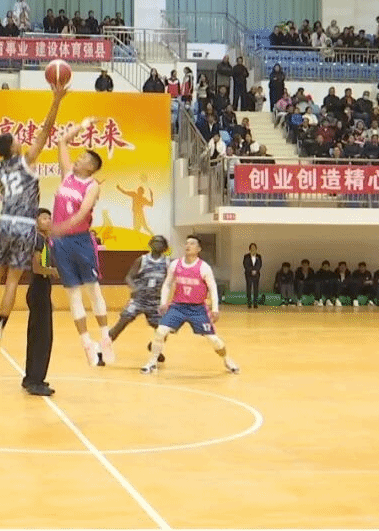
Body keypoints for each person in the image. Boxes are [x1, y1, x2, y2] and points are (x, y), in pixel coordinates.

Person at [0, 82, 66, 353]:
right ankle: (0, 328)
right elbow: (45, 130)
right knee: (12, 281)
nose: (21, 141)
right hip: (24, 226)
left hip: (3, 223)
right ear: (12, 147)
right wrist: (56, 100)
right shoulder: (25, 160)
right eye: (16, 139)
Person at [48, 120, 109, 366]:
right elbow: (62, 140)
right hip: (61, 244)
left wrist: (61, 227)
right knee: (73, 295)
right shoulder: (67, 175)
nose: (77, 158)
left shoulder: (91, 186)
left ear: (90, 167)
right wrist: (82, 125)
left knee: (93, 291)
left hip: (81, 241)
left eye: (83, 157)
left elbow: (83, 212)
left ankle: (105, 337)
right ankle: (87, 344)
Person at [141, 234, 239, 375]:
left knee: (213, 339)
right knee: (160, 331)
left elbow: (213, 288)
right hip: (178, 307)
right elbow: (167, 284)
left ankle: (227, 359)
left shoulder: (204, 268)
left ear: (198, 249)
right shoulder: (175, 264)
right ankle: (152, 362)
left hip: (197, 308)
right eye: (187, 243)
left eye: (192, 243)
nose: (188, 246)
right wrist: (163, 302)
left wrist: (215, 309)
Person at [107, 236, 170, 364]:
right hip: (139, 299)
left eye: (160, 243)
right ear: (150, 244)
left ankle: (154, 347)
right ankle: (103, 346)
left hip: (156, 301)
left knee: (164, 328)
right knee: (123, 321)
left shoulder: (168, 262)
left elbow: (170, 281)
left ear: (165, 247)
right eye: (155, 242)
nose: (157, 245)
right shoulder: (142, 260)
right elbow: (129, 277)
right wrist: (134, 288)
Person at [23, 208, 57, 396]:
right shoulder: (38, 240)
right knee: (43, 338)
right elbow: (37, 268)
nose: (48, 220)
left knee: (36, 336)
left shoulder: (45, 241)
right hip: (39, 288)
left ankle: (30, 377)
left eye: (49, 218)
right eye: (44, 218)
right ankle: (36, 381)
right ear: (35, 222)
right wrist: (54, 271)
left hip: (40, 290)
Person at [242, 243, 262, 308]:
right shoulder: (246, 256)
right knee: (249, 289)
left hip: (256, 275)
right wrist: (251, 270)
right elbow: (245, 265)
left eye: (254, 247)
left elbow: (259, 265)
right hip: (249, 275)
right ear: (249, 249)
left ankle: (255, 303)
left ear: (256, 249)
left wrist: (255, 270)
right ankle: (249, 303)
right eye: (252, 247)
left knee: (256, 289)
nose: (253, 249)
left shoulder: (259, 256)